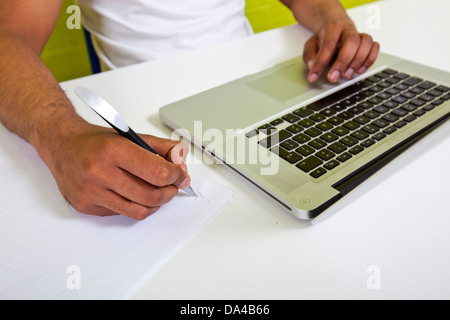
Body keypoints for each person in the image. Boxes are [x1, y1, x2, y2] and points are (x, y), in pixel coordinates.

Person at [0, 0, 379, 220]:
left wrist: (334, 20)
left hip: (260, 81)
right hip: (147, 117)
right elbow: (7, 36)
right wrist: (62, 135)